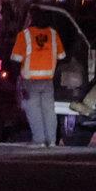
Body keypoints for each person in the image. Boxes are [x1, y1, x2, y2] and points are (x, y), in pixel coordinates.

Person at [13, 14, 61, 146]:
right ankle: (51, 140)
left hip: (31, 80)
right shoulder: (53, 34)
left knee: (34, 110)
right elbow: (62, 55)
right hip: (48, 80)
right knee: (49, 110)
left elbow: (16, 58)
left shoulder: (24, 35)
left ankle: (39, 140)